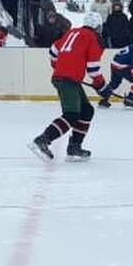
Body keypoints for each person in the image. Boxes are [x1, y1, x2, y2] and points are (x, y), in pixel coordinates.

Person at [28, 11, 105, 162]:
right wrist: (101, 86)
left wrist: (61, 67)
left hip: (66, 78)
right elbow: (93, 68)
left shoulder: (72, 32)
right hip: (68, 80)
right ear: (97, 27)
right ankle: (42, 140)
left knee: (86, 110)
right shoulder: (92, 38)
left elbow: (52, 51)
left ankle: (74, 147)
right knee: (71, 115)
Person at [98, 36, 133, 109]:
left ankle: (104, 99)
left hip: (114, 64)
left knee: (115, 83)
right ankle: (130, 99)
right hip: (121, 67)